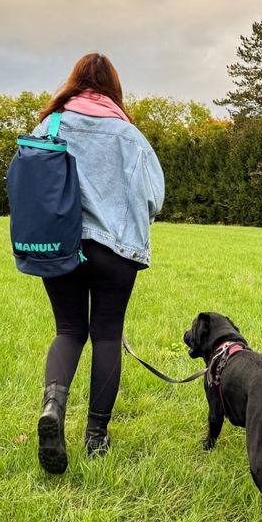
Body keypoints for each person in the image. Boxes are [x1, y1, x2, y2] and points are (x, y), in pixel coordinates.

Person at [33, 53, 164, 475]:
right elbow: (153, 197)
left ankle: (53, 408)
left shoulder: (49, 126)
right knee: (107, 336)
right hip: (116, 249)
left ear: (74, 82)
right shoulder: (128, 134)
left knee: (69, 330)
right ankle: (97, 437)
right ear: (113, 88)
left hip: (61, 245)